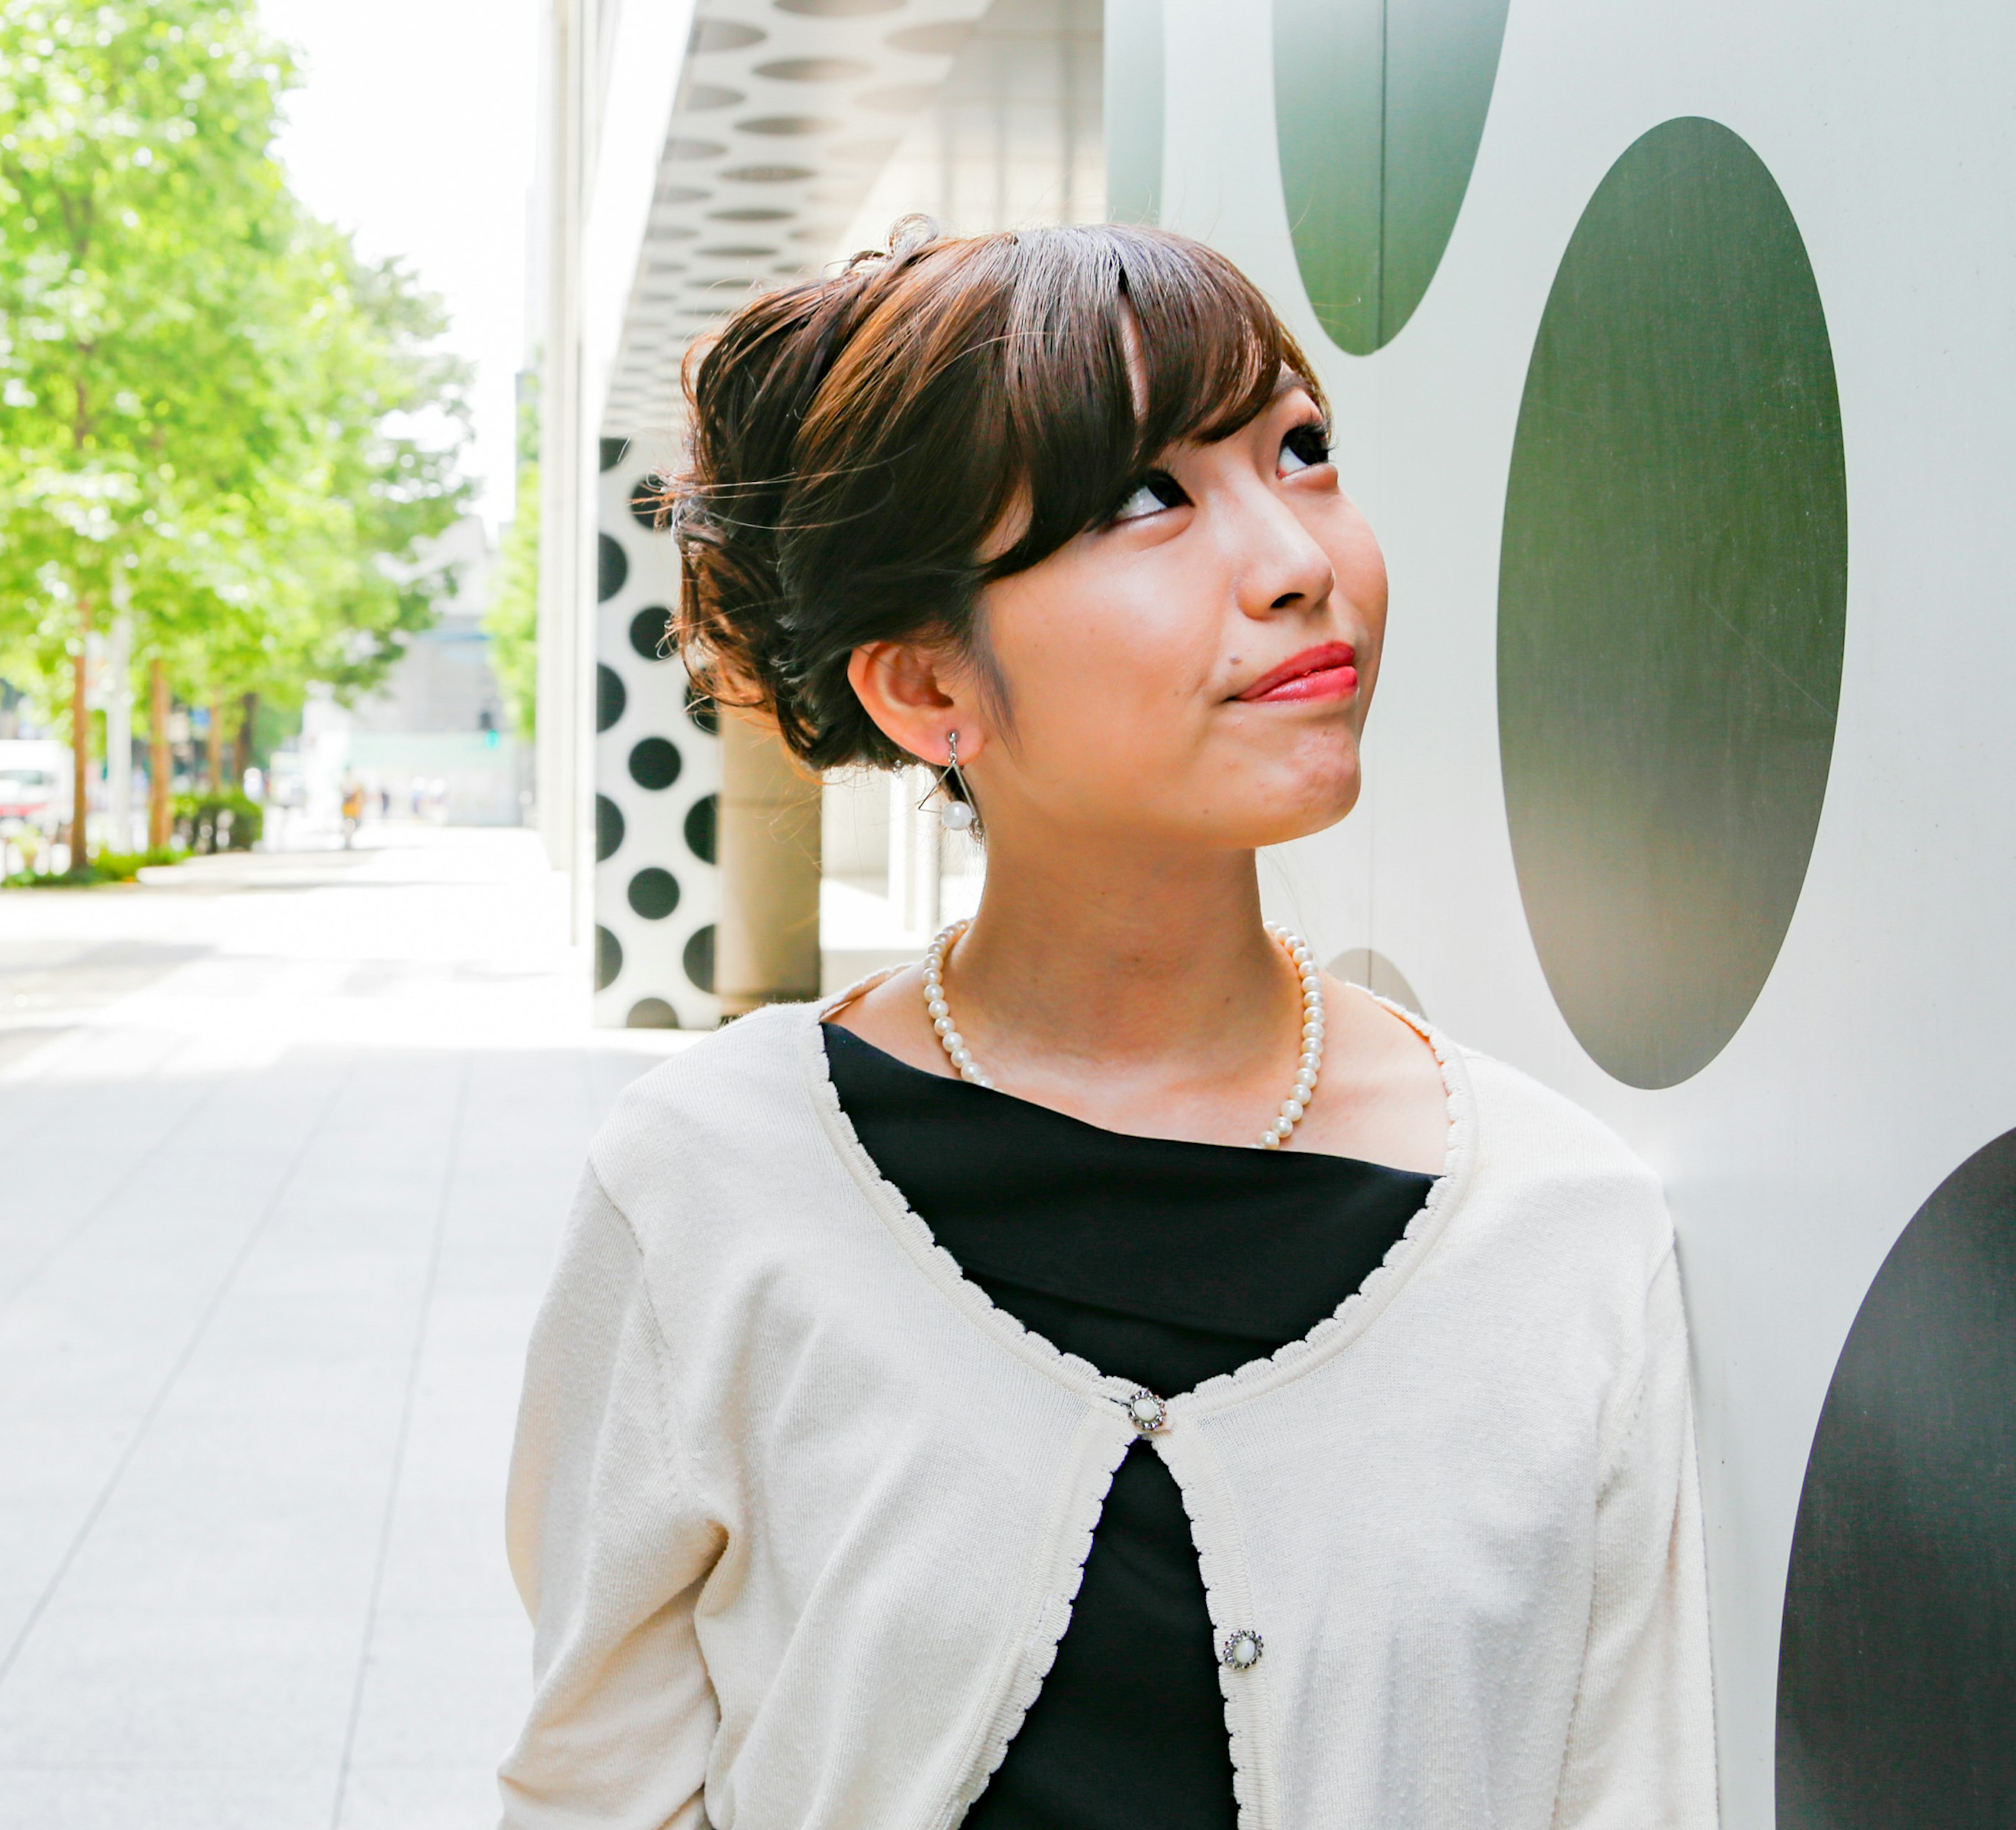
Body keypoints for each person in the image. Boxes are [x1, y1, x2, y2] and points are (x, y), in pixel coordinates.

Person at [499, 220, 1714, 1829]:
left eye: (1302, 450)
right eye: (1150, 496)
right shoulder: (712, 1187)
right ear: (932, 690)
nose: (1298, 557)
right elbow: (595, 1789)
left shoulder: (1558, 1227)